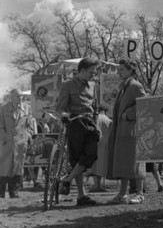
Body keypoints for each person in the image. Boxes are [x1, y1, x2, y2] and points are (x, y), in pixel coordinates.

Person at [57, 58, 101, 207]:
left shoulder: (93, 86)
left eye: (94, 72)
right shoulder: (67, 85)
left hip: (89, 124)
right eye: (91, 72)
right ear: (82, 70)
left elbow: (95, 108)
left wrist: (96, 122)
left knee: (91, 154)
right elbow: (60, 107)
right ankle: (81, 196)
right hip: (74, 123)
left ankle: (67, 180)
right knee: (76, 159)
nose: (93, 75)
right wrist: (63, 114)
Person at [107, 59, 147, 205]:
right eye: (119, 69)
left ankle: (140, 194)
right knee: (124, 163)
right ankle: (122, 194)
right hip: (123, 131)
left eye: (122, 69)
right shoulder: (125, 86)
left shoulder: (135, 86)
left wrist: (128, 114)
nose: (119, 72)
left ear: (131, 70)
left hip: (132, 131)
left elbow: (145, 104)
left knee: (136, 162)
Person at [0, 90, 34, 199]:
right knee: (4, 167)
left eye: (20, 96)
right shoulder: (3, 108)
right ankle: (1, 192)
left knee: (18, 167)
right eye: (16, 96)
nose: (19, 98)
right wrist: (3, 137)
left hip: (20, 143)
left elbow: (30, 125)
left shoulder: (26, 108)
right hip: (6, 142)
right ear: (11, 97)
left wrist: (27, 136)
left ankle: (14, 191)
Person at [87, 105, 112, 193]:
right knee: (101, 164)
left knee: (94, 164)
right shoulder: (108, 120)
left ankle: (95, 184)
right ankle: (99, 184)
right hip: (105, 144)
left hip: (94, 142)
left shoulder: (95, 118)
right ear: (105, 111)